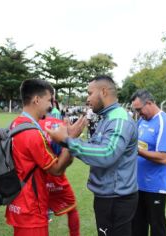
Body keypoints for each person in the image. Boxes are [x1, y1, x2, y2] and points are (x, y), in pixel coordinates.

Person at [46, 75, 138, 236]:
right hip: (107, 195)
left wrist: (68, 141)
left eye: (89, 93)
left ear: (103, 92)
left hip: (116, 198)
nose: (88, 99)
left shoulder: (118, 120)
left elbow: (106, 154)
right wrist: (72, 136)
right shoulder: (106, 118)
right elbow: (95, 147)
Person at [5, 79, 76, 236]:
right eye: (49, 100)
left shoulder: (16, 123)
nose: (51, 105)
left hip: (19, 201)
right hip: (31, 207)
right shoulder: (32, 133)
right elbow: (56, 170)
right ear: (37, 100)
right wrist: (71, 140)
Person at [130, 89, 166, 236]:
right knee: (137, 227)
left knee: (157, 228)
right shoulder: (141, 121)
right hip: (137, 185)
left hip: (155, 187)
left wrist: (138, 151)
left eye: (139, 109)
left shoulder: (165, 122)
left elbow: (164, 158)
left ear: (149, 103)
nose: (138, 113)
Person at [39, 116, 80, 236]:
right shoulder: (58, 123)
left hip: (38, 176)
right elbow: (66, 154)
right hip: (57, 174)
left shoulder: (33, 123)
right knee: (72, 209)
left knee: (40, 213)